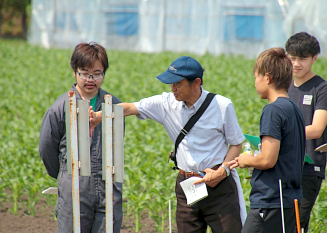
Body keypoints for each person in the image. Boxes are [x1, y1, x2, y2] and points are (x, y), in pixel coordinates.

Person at [90, 56, 247, 233]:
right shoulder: (166, 104)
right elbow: (129, 108)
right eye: (171, 83)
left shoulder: (222, 106)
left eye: (178, 83)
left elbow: (236, 144)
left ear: (196, 83)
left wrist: (223, 171)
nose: (173, 88)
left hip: (219, 187)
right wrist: (99, 116)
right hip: (187, 186)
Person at [39, 42, 123, 233]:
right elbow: (46, 148)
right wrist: (63, 175)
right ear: (75, 72)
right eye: (85, 73)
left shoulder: (114, 105)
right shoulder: (60, 107)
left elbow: (118, 144)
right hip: (74, 189)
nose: (90, 79)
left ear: (104, 73)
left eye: (97, 73)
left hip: (109, 188)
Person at [229, 47, 306, 233]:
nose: (255, 82)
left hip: (271, 201)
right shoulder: (294, 109)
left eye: (256, 76)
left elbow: (267, 159)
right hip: (289, 200)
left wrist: (245, 160)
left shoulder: (273, 110)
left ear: (268, 78)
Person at [286, 32, 327, 232]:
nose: (296, 63)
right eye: (292, 58)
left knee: (296, 223)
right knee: (283, 223)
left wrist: (282, 133)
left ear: (314, 58)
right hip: (284, 165)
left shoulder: (323, 89)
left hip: (308, 169)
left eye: (302, 59)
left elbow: (316, 129)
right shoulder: (284, 86)